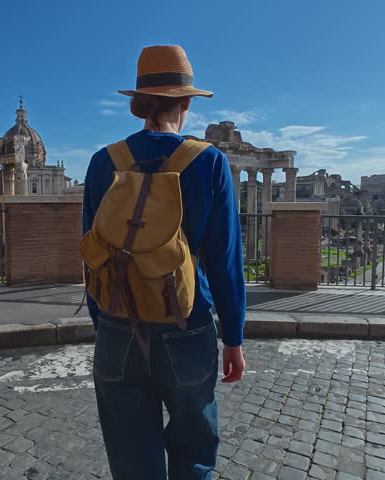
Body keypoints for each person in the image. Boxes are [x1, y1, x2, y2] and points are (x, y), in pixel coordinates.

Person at [82, 45, 246, 480]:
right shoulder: (209, 161)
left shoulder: (104, 162)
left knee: (132, 458)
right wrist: (233, 337)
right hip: (186, 323)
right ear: (186, 102)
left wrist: (107, 324)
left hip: (119, 323)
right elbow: (225, 260)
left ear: (139, 103)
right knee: (193, 452)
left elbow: (91, 255)